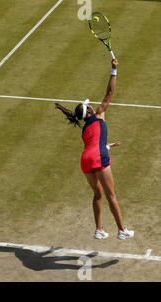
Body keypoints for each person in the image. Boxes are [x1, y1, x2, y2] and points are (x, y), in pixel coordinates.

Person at [54, 59, 134, 240]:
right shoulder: (99, 114)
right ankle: (122, 230)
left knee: (98, 194)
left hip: (86, 160)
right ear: (89, 111)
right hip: (98, 156)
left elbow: (92, 145)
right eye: (89, 105)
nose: (91, 105)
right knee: (111, 195)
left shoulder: (84, 129)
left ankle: (99, 229)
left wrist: (109, 145)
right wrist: (114, 70)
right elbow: (110, 92)